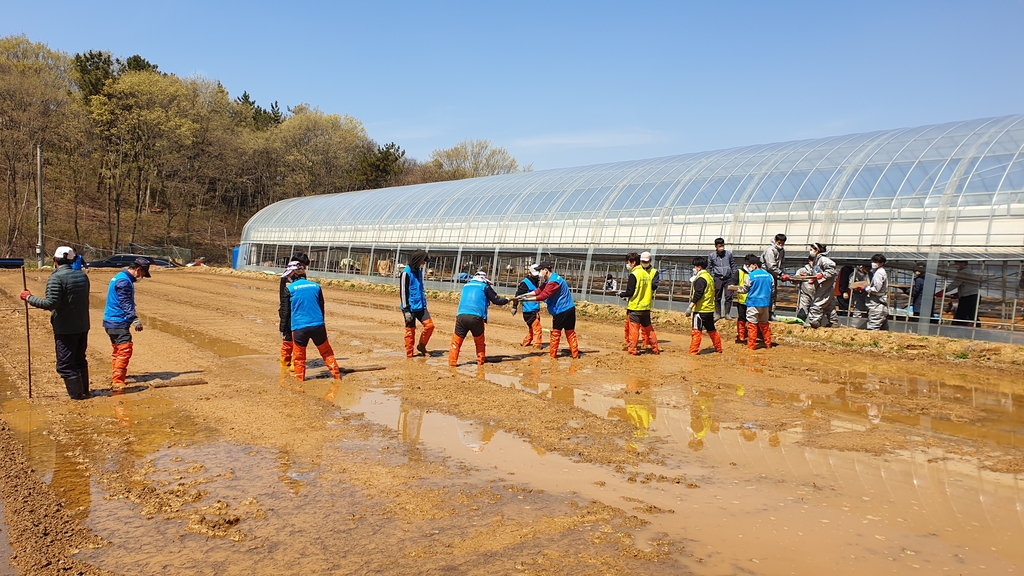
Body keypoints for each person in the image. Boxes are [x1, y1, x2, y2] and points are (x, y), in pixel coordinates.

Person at [20, 246, 92, 400]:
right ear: (72, 260)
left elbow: (51, 303)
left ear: (54, 260)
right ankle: (84, 391)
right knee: (79, 359)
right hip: (83, 325)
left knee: (65, 365)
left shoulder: (56, 278)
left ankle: (77, 397)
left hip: (65, 327)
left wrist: (29, 297)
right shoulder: (82, 276)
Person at [102, 257, 152, 390]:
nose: (141, 277)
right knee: (124, 350)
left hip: (111, 321)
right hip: (117, 321)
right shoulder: (124, 281)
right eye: (142, 274)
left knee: (117, 350)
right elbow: (125, 302)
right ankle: (118, 381)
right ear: (138, 270)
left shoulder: (120, 277)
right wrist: (134, 319)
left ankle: (116, 376)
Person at [516, 262, 579, 359]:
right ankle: (575, 355)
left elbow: (543, 296)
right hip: (570, 308)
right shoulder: (552, 279)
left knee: (556, 333)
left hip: (561, 311)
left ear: (546, 270)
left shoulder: (553, 282)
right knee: (570, 332)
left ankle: (553, 356)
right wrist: (525, 295)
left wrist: (526, 299)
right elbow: (539, 290)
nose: (539, 272)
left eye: (540, 270)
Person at [287, 269, 341, 381]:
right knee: (326, 353)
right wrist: (322, 322)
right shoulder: (316, 286)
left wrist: (285, 328)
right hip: (318, 325)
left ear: (293, 278)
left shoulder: (289, 289)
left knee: (299, 357)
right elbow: (321, 305)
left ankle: (300, 380)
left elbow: (286, 312)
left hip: (299, 327)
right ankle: (336, 375)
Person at [449, 272, 509, 366]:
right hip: (476, 317)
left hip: (461, 316)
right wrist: (507, 300)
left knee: (456, 342)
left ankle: (452, 363)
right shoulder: (485, 287)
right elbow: (496, 300)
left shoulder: (466, 286)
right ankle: (480, 361)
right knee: (479, 341)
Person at [618, 252, 660, 355]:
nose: (627, 264)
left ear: (633, 262)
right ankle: (655, 348)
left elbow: (630, 292)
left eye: (628, 262)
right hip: (646, 307)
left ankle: (632, 349)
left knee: (634, 329)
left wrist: (621, 294)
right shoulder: (647, 274)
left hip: (635, 307)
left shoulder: (634, 274)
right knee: (649, 329)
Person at [734, 254, 774, 350]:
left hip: (753, 303)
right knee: (764, 324)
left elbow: (745, 289)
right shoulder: (769, 276)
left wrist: (736, 289)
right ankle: (768, 343)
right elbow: (772, 289)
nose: (749, 267)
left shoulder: (750, 276)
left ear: (755, 265)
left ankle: (751, 345)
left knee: (752, 325)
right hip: (765, 304)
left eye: (750, 265)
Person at [400, 250, 435, 358]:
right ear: (418, 260)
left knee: (430, 326)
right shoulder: (406, 273)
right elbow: (403, 292)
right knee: (410, 331)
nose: (424, 264)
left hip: (421, 306)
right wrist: (406, 310)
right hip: (409, 307)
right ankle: (409, 354)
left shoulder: (419, 271)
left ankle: (421, 346)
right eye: (423, 262)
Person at [278, 253, 310, 369]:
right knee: (289, 337)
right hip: (290, 311)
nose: (304, 269)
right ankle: (286, 361)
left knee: (296, 338)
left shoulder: (300, 277)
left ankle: (292, 363)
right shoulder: (287, 278)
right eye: (303, 266)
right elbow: (284, 299)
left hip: (298, 311)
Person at [687, 256, 722, 354]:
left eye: (695, 266)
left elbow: (698, 294)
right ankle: (719, 348)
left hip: (700, 310)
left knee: (696, 331)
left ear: (699, 267)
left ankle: (693, 351)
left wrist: (690, 307)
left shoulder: (701, 279)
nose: (694, 268)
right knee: (712, 330)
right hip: (709, 310)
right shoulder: (709, 277)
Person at [804, 243, 840, 329]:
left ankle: (814, 321)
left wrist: (823, 275)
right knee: (829, 304)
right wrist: (809, 275)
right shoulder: (817, 260)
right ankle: (833, 321)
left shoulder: (824, 259)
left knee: (817, 302)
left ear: (817, 250)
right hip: (822, 285)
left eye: (812, 249)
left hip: (824, 285)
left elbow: (831, 270)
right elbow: (816, 272)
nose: (810, 251)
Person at [512, 264, 543, 350]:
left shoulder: (536, 282)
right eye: (535, 275)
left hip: (535, 310)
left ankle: (526, 343)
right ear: (529, 273)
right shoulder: (525, 283)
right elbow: (518, 295)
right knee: (537, 328)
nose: (537, 277)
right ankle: (537, 345)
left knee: (532, 329)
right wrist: (514, 306)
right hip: (529, 311)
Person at [942, 261, 980, 327]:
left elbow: (955, 283)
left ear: (963, 263)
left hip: (968, 297)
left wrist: (944, 291)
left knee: (962, 315)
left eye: (957, 263)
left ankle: (958, 328)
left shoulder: (964, 272)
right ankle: (976, 327)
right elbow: (966, 286)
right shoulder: (968, 271)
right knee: (971, 314)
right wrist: (958, 294)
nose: (955, 265)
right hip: (971, 295)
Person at [761, 233, 788, 319]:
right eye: (779, 243)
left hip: (774, 275)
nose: (780, 245)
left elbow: (781, 264)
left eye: (782, 243)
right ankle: (763, 313)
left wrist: (781, 274)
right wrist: (781, 274)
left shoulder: (782, 251)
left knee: (773, 294)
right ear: (776, 241)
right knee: (765, 293)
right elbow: (771, 266)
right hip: (766, 275)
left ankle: (770, 313)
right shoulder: (770, 250)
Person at [708, 238, 736, 320]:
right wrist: (712, 277)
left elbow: (733, 265)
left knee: (729, 296)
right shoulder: (712, 256)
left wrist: (734, 277)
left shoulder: (728, 254)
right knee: (717, 296)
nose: (722, 248)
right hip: (718, 278)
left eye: (723, 246)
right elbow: (709, 268)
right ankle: (718, 314)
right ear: (716, 246)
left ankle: (727, 314)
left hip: (728, 278)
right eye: (720, 246)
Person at [862, 253, 889, 330]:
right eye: (873, 261)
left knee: (874, 325)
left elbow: (877, 289)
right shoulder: (879, 271)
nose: (874, 263)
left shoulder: (879, 273)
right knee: (883, 326)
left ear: (881, 263)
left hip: (877, 301)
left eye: (876, 262)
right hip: (880, 300)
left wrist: (866, 288)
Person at [729, 258, 750, 344]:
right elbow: (732, 282)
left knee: (752, 319)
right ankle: (741, 335)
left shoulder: (754, 273)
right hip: (742, 300)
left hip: (753, 301)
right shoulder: (739, 272)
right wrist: (732, 286)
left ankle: (751, 335)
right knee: (742, 318)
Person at [792, 256, 816, 322]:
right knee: (802, 313)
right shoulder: (802, 270)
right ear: (809, 261)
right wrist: (798, 277)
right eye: (812, 261)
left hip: (818, 295)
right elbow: (794, 280)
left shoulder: (820, 270)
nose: (813, 263)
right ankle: (800, 325)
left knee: (816, 314)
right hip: (805, 295)